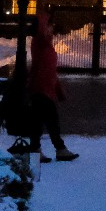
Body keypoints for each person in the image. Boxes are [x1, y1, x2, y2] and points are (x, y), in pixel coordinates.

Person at [13, 12, 76, 161]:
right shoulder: (40, 42)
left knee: (40, 120)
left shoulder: (46, 44)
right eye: (50, 25)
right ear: (44, 27)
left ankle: (40, 149)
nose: (53, 28)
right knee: (49, 120)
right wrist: (44, 18)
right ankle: (58, 149)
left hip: (45, 88)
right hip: (40, 88)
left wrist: (58, 89)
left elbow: (51, 71)